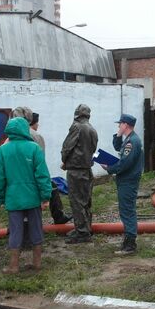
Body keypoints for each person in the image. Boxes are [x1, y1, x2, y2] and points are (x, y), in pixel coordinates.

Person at [0, 117, 51, 274]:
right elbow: (42, 175)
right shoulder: (34, 148)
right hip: (33, 197)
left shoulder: (2, 151)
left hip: (13, 197)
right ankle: (37, 263)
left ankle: (14, 266)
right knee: (36, 229)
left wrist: (1, 197)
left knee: (15, 230)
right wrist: (45, 196)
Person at [101, 113, 144, 255]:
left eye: (120, 124)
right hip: (126, 180)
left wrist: (110, 168)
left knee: (127, 211)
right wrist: (118, 134)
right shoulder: (129, 139)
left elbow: (125, 163)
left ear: (125, 124)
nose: (118, 126)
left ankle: (130, 245)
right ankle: (128, 241)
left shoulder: (132, 142)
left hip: (128, 181)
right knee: (126, 210)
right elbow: (117, 147)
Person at [61, 104, 98, 244]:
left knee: (76, 201)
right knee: (86, 201)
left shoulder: (76, 127)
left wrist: (64, 160)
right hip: (87, 170)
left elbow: (67, 147)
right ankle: (86, 228)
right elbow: (93, 150)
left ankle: (82, 233)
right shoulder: (92, 129)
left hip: (76, 170)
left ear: (77, 114)